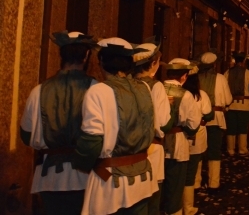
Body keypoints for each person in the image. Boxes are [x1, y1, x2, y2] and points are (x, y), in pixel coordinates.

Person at [74, 37, 158, 215]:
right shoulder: (144, 87)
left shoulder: (98, 91)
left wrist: (80, 162)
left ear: (102, 62)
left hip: (111, 183)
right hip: (143, 178)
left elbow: (91, 142)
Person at [20, 31, 97, 215]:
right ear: (86, 56)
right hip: (84, 174)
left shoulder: (39, 90)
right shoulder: (96, 89)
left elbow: (26, 135)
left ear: (61, 54)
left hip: (49, 176)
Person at [132, 41, 172, 215]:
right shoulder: (157, 86)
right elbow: (164, 124)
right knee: (152, 199)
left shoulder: (127, 84)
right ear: (153, 64)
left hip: (130, 150)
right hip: (153, 148)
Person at [162, 58, 202, 215]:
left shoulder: (155, 90)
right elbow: (193, 125)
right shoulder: (186, 95)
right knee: (175, 189)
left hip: (156, 145)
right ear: (184, 76)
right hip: (178, 147)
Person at [197, 51, 232, 194]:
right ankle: (213, 183)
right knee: (214, 151)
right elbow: (228, 99)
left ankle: (195, 183)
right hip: (216, 119)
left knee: (197, 152)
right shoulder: (221, 78)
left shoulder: (196, 78)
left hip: (199, 120)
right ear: (214, 64)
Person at [183, 68, 214, 215]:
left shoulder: (179, 94)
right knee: (192, 167)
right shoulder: (201, 96)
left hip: (180, 137)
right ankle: (188, 206)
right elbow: (208, 115)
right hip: (197, 134)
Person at [224, 52, 249, 156]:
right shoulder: (248, 73)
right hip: (244, 105)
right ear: (243, 61)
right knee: (242, 127)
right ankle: (242, 149)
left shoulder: (227, 72)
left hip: (231, 104)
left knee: (231, 127)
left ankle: (230, 149)